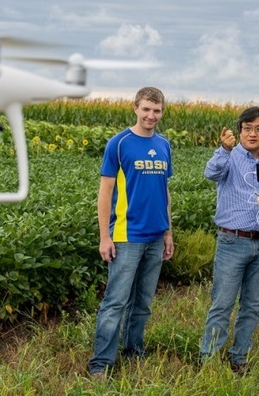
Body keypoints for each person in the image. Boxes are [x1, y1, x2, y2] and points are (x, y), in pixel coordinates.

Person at [87, 86, 174, 378]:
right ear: (135, 108)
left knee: (143, 303)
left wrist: (168, 233)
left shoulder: (164, 145)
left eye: (157, 110)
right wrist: (104, 236)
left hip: (155, 236)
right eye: (146, 109)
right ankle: (101, 363)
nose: (151, 115)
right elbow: (105, 192)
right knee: (115, 302)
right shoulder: (119, 143)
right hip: (126, 236)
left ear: (162, 112)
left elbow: (165, 192)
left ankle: (133, 350)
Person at [199, 107, 259, 374]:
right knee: (222, 303)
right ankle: (208, 359)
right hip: (233, 242)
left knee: (253, 305)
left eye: (258, 129)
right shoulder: (229, 157)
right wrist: (224, 149)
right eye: (247, 128)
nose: (252, 134)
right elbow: (210, 173)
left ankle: (239, 357)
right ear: (239, 130)